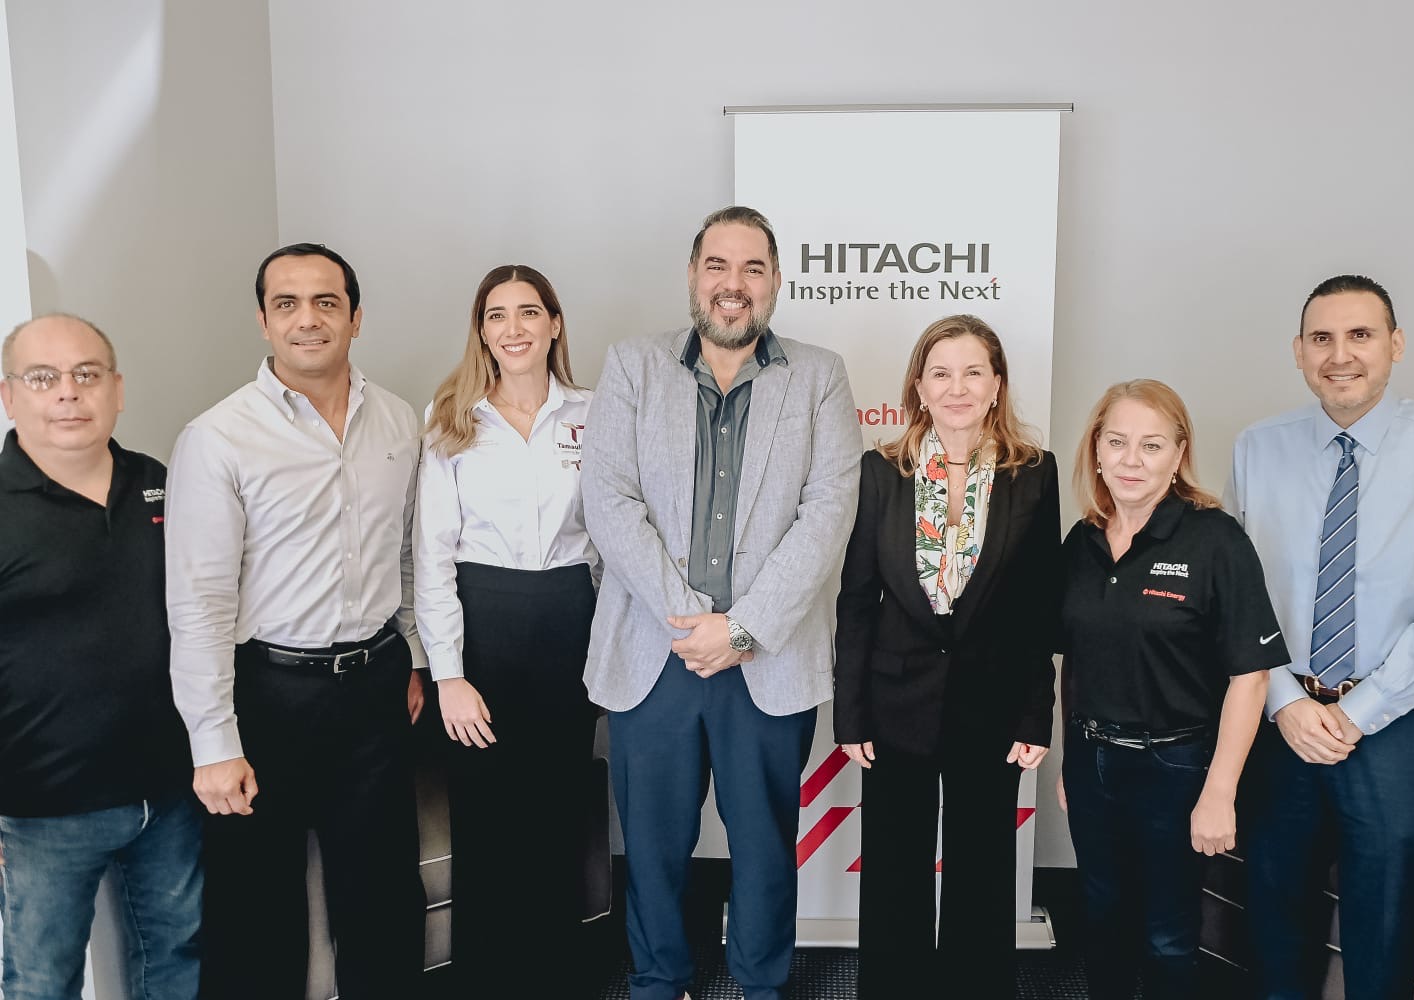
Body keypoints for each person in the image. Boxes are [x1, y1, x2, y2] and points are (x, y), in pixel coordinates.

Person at [581, 205, 862, 1000]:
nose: (732, 284)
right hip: (653, 653)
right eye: (717, 266)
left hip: (766, 659)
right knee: (653, 845)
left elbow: (828, 513)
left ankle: (762, 985)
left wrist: (740, 630)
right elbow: (609, 500)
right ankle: (658, 979)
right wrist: (690, 623)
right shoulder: (633, 366)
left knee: (766, 847)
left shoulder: (820, 375)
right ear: (693, 275)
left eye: (751, 268)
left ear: (775, 281)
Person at [165, 243, 428, 1000]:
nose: (307, 319)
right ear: (263, 321)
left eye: (325, 302)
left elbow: (406, 552)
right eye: (287, 304)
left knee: (384, 900)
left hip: (375, 688)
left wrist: (411, 655)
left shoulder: (397, 419)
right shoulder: (217, 437)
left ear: (355, 317)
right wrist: (213, 742)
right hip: (267, 696)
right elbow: (199, 601)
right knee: (256, 914)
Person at [1228, 274, 1414, 999]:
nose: (1339, 355)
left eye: (1360, 335)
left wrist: (1357, 712)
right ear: (1298, 351)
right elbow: (1238, 597)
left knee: (1382, 939)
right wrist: (1285, 701)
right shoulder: (1259, 448)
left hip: (1401, 725)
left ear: (1395, 345)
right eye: (1321, 338)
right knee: (1276, 924)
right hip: (1282, 722)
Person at [830, 313, 1060, 998]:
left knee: (982, 872)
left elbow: (1040, 606)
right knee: (894, 870)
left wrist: (1036, 713)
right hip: (894, 702)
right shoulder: (881, 471)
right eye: (941, 373)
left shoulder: (1033, 474)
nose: (957, 387)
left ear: (996, 385)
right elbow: (856, 599)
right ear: (920, 387)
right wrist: (850, 714)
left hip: (993, 705)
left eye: (972, 372)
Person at [1057, 379, 1280, 999]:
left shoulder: (1216, 541)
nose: (1131, 460)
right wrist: (1072, 761)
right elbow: (1075, 660)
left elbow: (1251, 675)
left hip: (1175, 767)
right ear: (1096, 449)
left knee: (1167, 934)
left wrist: (1219, 793)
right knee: (1100, 914)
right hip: (1092, 760)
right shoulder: (1082, 540)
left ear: (1178, 454)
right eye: (1117, 442)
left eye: (1151, 445)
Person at [0, 315, 201, 1000]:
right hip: (42, 810)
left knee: (176, 963)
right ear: (9, 396)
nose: (68, 392)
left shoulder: (159, 482)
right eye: (43, 377)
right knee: (42, 982)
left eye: (87, 374)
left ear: (117, 390)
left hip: (169, 794)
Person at [414, 264, 600, 993]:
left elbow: (610, 541)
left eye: (528, 312)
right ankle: (488, 981)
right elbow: (432, 556)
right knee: (487, 815)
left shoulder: (594, 414)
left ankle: (555, 977)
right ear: (482, 330)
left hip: (568, 620)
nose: (513, 328)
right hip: (481, 625)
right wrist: (448, 675)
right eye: (497, 315)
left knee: (557, 809)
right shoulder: (451, 418)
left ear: (554, 324)